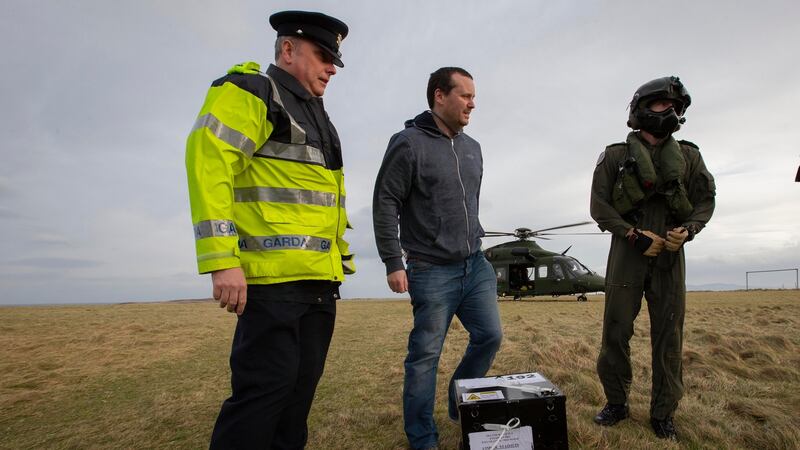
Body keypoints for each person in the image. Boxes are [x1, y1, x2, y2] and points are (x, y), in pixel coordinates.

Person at [185, 10, 355, 449]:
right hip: (271, 285)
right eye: (322, 55)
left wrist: (339, 262)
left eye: (334, 59)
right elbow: (209, 164)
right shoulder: (254, 92)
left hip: (318, 283)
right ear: (287, 49)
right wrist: (222, 261)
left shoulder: (318, 115)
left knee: (297, 403)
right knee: (262, 399)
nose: (331, 67)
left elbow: (323, 199)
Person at [373, 67, 503, 450]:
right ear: (439, 96)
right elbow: (385, 201)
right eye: (464, 95)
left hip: (474, 265)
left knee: (490, 336)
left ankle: (457, 399)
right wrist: (393, 261)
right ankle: (422, 438)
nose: (472, 103)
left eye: (473, 96)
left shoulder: (472, 147)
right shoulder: (408, 143)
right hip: (430, 269)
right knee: (425, 355)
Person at [589, 76, 716, 441]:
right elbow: (600, 206)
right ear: (642, 108)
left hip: (670, 258)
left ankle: (663, 413)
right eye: (663, 105)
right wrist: (632, 234)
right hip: (627, 254)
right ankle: (616, 402)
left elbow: (705, 201)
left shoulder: (690, 157)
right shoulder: (614, 156)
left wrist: (688, 230)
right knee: (615, 331)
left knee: (669, 337)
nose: (671, 112)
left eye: (676, 107)